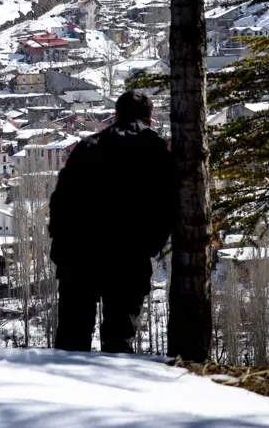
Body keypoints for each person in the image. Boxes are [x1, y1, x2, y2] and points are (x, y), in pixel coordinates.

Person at [48, 90, 177, 353]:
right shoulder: (157, 153)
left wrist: (62, 247)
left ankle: (61, 390)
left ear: (116, 116)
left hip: (78, 255)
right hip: (129, 259)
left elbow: (60, 201)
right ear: (150, 120)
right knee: (119, 339)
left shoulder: (88, 147)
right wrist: (147, 248)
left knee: (72, 337)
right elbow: (168, 209)